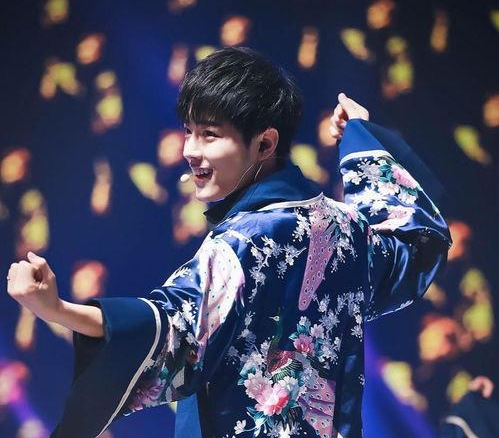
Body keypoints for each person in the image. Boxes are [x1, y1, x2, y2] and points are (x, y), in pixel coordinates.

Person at [7, 47, 451, 438]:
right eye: (189, 131)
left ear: (265, 143)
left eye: (210, 134)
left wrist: (56, 309)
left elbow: (171, 327)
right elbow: (416, 242)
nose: (190, 150)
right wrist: (360, 139)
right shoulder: (346, 226)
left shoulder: (245, 239)